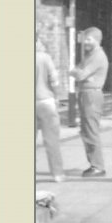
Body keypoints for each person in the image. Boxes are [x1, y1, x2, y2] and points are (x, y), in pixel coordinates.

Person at [69, 26, 109, 177]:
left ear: (97, 40)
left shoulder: (98, 56)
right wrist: (80, 74)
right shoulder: (89, 55)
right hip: (86, 94)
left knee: (91, 130)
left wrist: (80, 74)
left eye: (88, 39)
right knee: (86, 131)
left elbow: (78, 75)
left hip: (92, 96)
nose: (85, 42)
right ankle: (93, 164)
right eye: (84, 38)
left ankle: (98, 166)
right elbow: (74, 70)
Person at [35, 38, 65, 182]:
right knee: (51, 140)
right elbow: (54, 80)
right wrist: (57, 96)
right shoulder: (44, 57)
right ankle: (57, 174)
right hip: (45, 102)